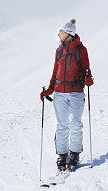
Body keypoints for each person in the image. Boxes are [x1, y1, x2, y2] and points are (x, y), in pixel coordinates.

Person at [40, 19, 93, 171]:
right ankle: (62, 155)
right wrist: (49, 89)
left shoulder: (81, 50)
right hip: (59, 94)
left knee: (75, 125)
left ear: (68, 34)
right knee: (62, 126)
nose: (58, 34)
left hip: (75, 93)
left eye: (61, 32)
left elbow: (86, 70)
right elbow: (55, 72)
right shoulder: (59, 51)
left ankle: (74, 154)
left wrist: (88, 79)